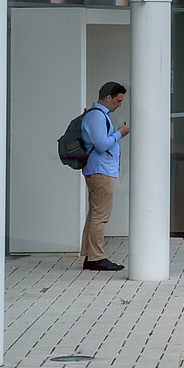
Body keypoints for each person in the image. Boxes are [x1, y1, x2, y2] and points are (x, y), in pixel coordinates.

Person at [79, 81, 130, 273]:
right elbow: (101, 144)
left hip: (101, 170)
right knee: (100, 216)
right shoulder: (96, 116)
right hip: (101, 171)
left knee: (95, 214)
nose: (119, 105)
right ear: (108, 98)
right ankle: (96, 257)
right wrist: (119, 133)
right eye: (118, 101)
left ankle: (90, 255)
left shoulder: (99, 116)